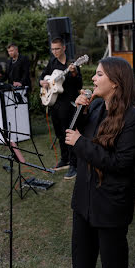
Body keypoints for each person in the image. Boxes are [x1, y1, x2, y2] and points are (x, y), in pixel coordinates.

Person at [65, 57, 135, 268]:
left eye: (99, 74)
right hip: (83, 201)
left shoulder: (133, 118)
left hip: (110, 206)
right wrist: (80, 110)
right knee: (81, 262)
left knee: (113, 263)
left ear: (116, 82)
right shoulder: (97, 106)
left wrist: (80, 142)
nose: (93, 78)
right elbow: (74, 136)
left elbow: (120, 163)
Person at [39, 37, 83, 179]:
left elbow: (79, 85)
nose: (55, 52)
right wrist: (43, 83)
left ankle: (74, 165)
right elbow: (42, 78)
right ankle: (65, 159)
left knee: (69, 134)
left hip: (68, 104)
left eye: (57, 48)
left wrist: (74, 72)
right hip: (55, 103)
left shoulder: (72, 64)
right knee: (59, 134)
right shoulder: (52, 62)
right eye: (52, 49)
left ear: (64, 48)